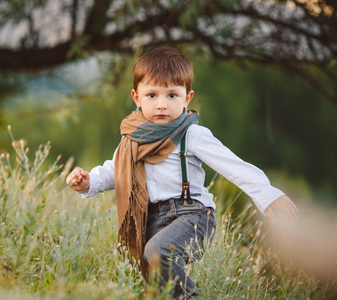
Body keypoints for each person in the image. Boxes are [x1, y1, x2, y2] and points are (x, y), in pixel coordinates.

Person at [66, 47, 298, 299]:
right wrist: (90, 181)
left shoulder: (192, 134)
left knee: (158, 251)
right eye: (152, 95)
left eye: (172, 95)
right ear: (137, 97)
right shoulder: (132, 138)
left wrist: (267, 194)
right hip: (152, 219)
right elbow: (116, 171)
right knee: (152, 279)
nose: (162, 104)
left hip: (193, 216)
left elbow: (233, 166)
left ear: (187, 98)